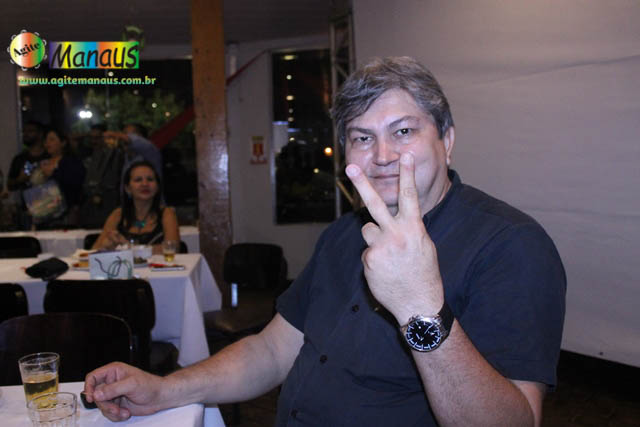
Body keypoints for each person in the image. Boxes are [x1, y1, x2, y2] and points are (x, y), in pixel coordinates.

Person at [84, 57, 566, 426]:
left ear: (448, 140)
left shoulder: (512, 245)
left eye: (403, 131)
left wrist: (420, 309)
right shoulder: (343, 233)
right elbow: (272, 351)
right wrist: (163, 389)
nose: (382, 155)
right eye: (362, 137)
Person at [92, 160, 179, 254]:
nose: (145, 184)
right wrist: (107, 246)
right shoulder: (118, 214)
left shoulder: (167, 213)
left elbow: (173, 248)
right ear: (127, 188)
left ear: (157, 186)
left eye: (150, 179)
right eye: (138, 180)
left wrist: (128, 248)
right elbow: (95, 249)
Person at [34, 128, 86, 228]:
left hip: (64, 212)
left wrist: (53, 174)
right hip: (43, 211)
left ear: (63, 143)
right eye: (46, 140)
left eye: (52, 139)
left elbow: (75, 184)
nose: (47, 143)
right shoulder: (43, 162)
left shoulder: (72, 162)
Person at [7, 121, 49, 229]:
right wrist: (20, 179)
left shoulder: (49, 156)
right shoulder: (20, 159)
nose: (26, 134)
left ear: (40, 134)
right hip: (28, 210)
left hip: (51, 206)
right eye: (24, 131)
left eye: (30, 131)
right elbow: (10, 185)